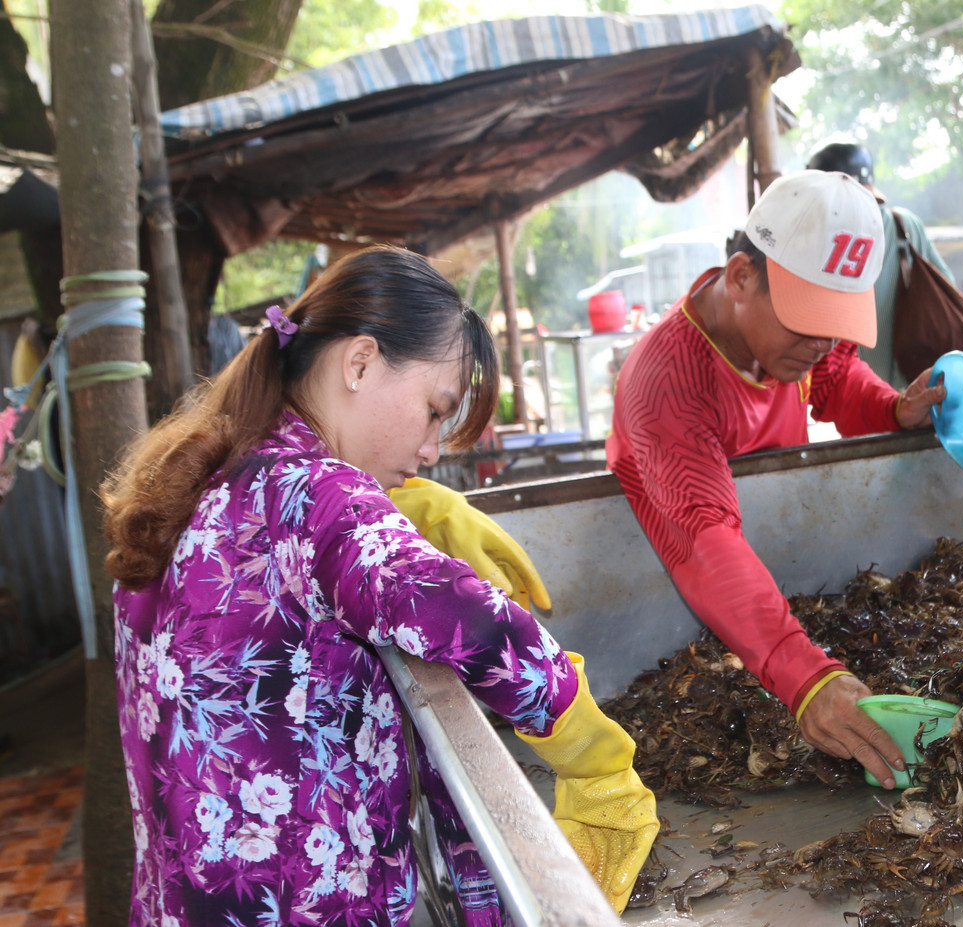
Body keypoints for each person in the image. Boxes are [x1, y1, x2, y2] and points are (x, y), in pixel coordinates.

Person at [102, 245, 657, 926]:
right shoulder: (319, 497)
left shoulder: (209, 479)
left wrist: (402, 507)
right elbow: (475, 623)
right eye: (433, 409)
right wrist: (596, 757)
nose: (431, 449)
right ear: (360, 362)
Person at [606, 171, 947, 791]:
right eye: (805, 318)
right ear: (740, 278)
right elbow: (704, 542)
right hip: (702, 591)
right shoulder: (667, 380)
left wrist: (894, 410)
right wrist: (806, 676)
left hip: (774, 591)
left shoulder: (801, 345)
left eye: (834, 320)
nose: (820, 342)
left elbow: (838, 377)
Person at [807, 141, 957, 388]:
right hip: (918, 381)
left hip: (864, 391)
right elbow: (948, 286)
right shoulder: (905, 225)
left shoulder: (823, 237)